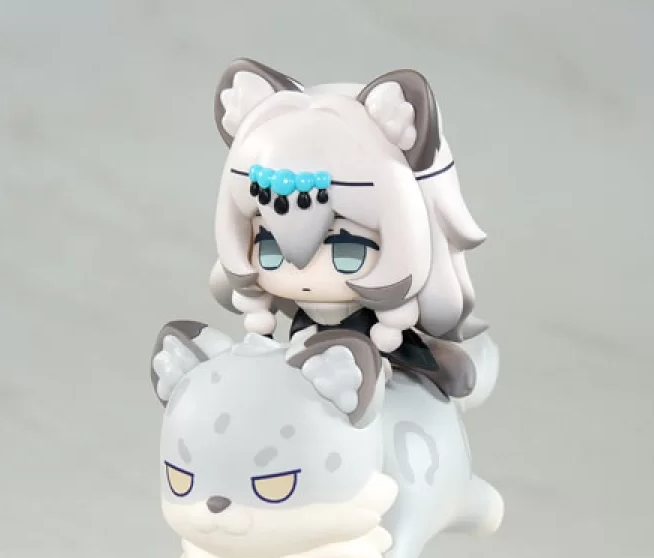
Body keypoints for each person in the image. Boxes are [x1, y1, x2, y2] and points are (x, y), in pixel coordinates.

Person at [207, 58, 490, 398]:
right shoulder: (300, 329)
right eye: (268, 245)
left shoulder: (389, 327)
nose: (304, 274)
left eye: (348, 250)